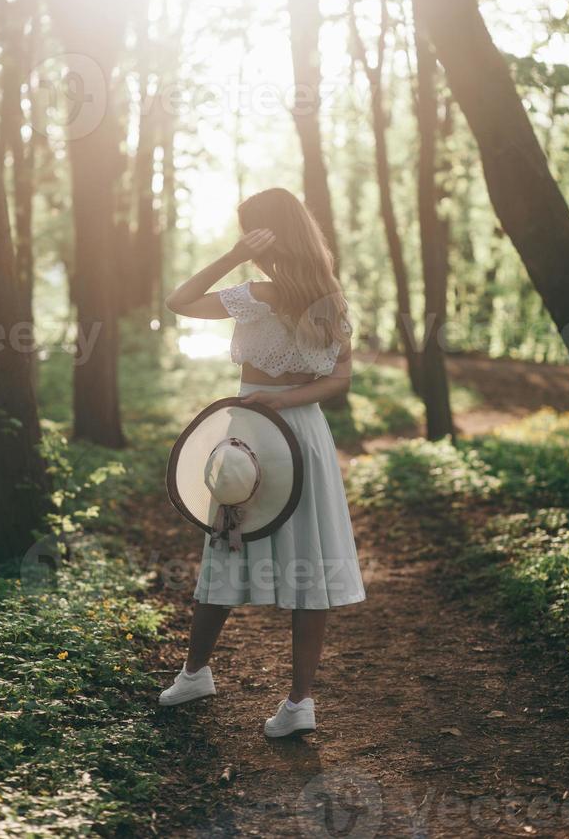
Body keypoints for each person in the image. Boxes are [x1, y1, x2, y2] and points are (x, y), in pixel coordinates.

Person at [159, 187, 366, 737]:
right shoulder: (330, 298)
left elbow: (178, 300)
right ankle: (264, 692)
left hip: (257, 431)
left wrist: (230, 257)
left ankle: (223, 680)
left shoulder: (261, 293)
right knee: (258, 547)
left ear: (264, 235)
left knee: (230, 545)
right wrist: (287, 401)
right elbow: (338, 379)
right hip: (295, 432)